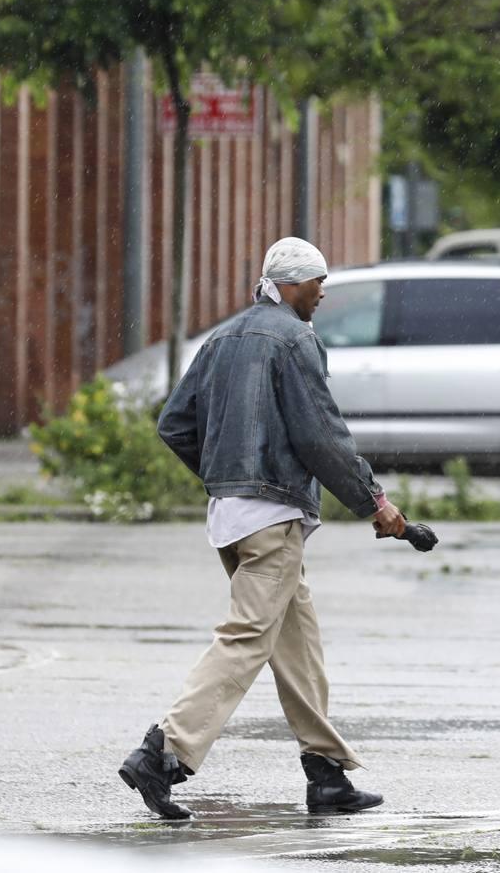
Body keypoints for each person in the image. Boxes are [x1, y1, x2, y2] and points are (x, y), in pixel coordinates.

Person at [118, 237, 405, 820]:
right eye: (317, 283)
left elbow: (175, 425)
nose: (323, 293)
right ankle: (162, 752)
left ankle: (325, 774)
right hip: (272, 518)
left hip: (231, 517)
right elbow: (320, 435)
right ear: (294, 285)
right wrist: (374, 500)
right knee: (247, 637)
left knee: (297, 643)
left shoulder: (223, 337)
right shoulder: (294, 338)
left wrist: (227, 471)